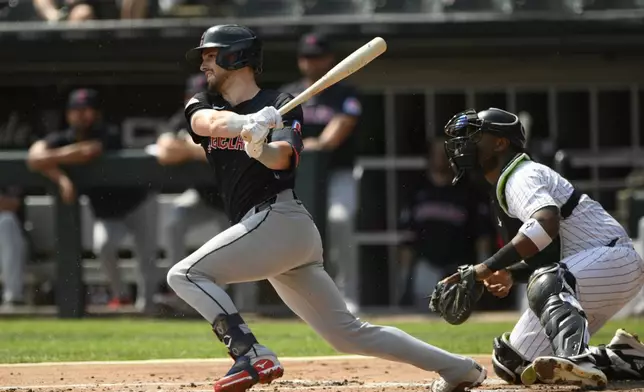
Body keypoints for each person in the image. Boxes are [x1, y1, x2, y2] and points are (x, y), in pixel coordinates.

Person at [166, 24, 487, 392]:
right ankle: (459, 368)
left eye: (210, 56)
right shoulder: (205, 101)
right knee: (349, 334)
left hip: (279, 220)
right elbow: (206, 124)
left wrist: (259, 147)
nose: (204, 65)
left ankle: (250, 353)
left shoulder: (283, 101)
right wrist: (247, 125)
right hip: (271, 232)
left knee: (185, 275)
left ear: (234, 56)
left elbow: (283, 159)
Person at [440, 107, 644, 388]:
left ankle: (578, 358)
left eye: (474, 136)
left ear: (500, 143)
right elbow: (547, 253)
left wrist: (485, 267)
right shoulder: (506, 185)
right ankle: (623, 357)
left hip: (614, 260)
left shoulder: (522, 175)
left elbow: (546, 224)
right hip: (586, 273)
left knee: (546, 281)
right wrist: (511, 274)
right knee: (515, 363)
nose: (464, 144)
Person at [27, 88, 159, 312]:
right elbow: (33, 158)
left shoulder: (107, 132)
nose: (81, 115)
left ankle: (148, 306)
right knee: (104, 246)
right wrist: (61, 179)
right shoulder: (64, 138)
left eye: (86, 110)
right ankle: (121, 295)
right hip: (107, 211)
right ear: (68, 114)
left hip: (137, 202)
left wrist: (51, 159)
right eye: (76, 110)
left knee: (145, 255)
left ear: (96, 113)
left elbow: (88, 151)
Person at [280, 32, 362, 313]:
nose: (310, 63)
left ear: (330, 59)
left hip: (337, 172)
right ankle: (301, 299)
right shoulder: (290, 93)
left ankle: (347, 294)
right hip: (297, 178)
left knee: (339, 221)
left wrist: (306, 145)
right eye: (306, 57)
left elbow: (334, 136)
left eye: (316, 57)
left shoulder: (344, 93)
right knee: (294, 232)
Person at [398, 138, 493, 309]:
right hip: (426, 267)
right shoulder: (417, 192)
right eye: (436, 154)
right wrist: (404, 280)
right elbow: (407, 241)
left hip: (459, 268)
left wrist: (482, 276)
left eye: (445, 154)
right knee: (423, 318)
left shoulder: (469, 193)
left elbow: (482, 238)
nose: (440, 159)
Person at [0, 185, 28, 308]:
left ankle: (13, 298)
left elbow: (11, 204)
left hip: (16, 238)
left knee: (6, 220)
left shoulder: (11, 174)